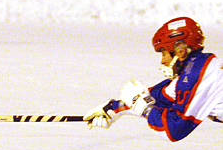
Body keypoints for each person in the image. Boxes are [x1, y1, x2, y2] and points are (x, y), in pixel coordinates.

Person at [84, 16, 223, 141]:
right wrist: (114, 108)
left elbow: (173, 130)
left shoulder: (197, 74)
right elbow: (159, 96)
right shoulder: (197, 68)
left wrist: (145, 109)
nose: (162, 61)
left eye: (163, 53)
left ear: (179, 50)